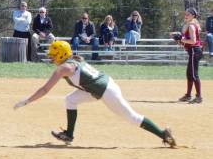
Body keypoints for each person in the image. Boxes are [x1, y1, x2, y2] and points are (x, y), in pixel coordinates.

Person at [13, 40, 176, 148]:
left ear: (62, 55)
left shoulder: (64, 68)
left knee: (132, 118)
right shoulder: (73, 60)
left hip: (106, 91)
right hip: (99, 86)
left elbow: (45, 90)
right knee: (70, 99)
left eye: (54, 55)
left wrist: (27, 101)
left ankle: (164, 134)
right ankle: (69, 135)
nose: (52, 58)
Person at [176, 8, 203, 104]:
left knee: (194, 75)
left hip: (194, 51)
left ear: (193, 16)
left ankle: (199, 97)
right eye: (186, 14)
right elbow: (186, 40)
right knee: (189, 74)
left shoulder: (191, 26)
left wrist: (182, 39)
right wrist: (179, 40)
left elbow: (193, 41)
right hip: (193, 51)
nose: (186, 15)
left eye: (188, 14)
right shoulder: (189, 25)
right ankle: (188, 95)